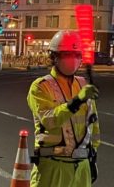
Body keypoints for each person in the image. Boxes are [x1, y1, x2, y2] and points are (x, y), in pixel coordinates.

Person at [27, 30, 100, 187]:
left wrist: (92, 155)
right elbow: (49, 120)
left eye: (76, 54)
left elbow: (93, 125)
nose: (72, 59)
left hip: (82, 168)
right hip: (53, 167)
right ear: (53, 57)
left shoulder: (83, 85)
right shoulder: (40, 87)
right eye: (67, 54)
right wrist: (77, 100)